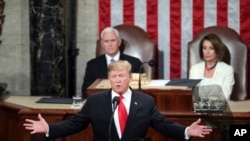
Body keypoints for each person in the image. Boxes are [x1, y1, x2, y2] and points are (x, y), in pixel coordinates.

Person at [24, 60, 212, 141]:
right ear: (109, 78)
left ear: (130, 77)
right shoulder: (95, 101)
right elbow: (75, 124)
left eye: (121, 76)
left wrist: (187, 130)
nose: (118, 80)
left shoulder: (146, 101)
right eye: (113, 76)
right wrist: (49, 128)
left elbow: (163, 125)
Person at [81, 27, 143, 98]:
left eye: (113, 40)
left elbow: (139, 91)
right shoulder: (92, 65)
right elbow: (85, 92)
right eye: (106, 41)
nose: (110, 44)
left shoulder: (134, 63)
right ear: (102, 44)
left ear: (119, 42)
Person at [189, 33, 235, 100]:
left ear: (217, 50)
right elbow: (192, 95)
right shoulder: (194, 69)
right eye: (204, 48)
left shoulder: (227, 70)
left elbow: (224, 96)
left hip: (218, 109)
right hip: (198, 108)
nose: (207, 52)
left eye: (211, 48)